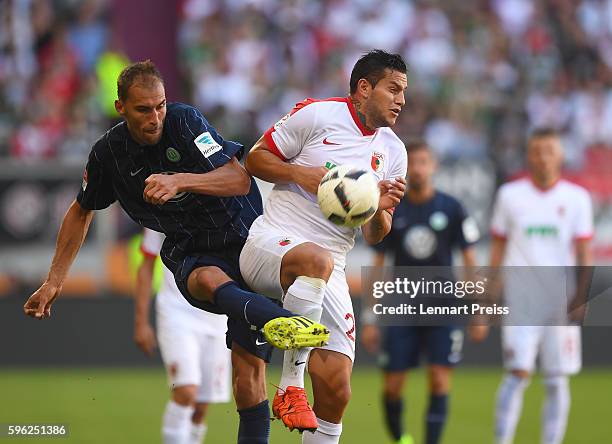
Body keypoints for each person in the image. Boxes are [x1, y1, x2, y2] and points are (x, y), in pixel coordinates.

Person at [22, 60, 329, 444]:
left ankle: (278, 322)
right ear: (121, 108)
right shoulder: (109, 155)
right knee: (203, 278)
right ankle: (278, 319)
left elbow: (238, 178)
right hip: (190, 247)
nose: (155, 117)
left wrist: (180, 179)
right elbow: (80, 209)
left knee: (248, 381)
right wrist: (54, 280)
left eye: (160, 105)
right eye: (143, 109)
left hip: (245, 237)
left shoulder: (184, 122)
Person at [240, 49, 408, 442]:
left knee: (336, 391)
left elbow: (376, 235)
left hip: (330, 265)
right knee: (315, 259)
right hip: (272, 241)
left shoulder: (393, 152)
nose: (402, 99)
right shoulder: (317, 115)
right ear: (364, 88)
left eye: (404, 92)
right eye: (394, 89)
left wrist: (378, 210)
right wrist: (301, 174)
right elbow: (254, 160)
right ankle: (290, 387)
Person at [360, 140, 480, 444]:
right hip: (402, 305)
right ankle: (401, 438)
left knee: (440, 380)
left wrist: (479, 306)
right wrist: (370, 316)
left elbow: (469, 259)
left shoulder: (451, 208)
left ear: (434, 166)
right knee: (392, 386)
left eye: (424, 162)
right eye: (413, 163)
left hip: (443, 305)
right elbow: (378, 265)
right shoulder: (392, 208)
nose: (418, 168)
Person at [486, 128, 593, 444]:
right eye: (536, 151)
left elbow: (585, 252)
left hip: (560, 302)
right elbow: (497, 250)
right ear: (528, 155)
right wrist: (489, 294)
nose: (543, 157)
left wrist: (582, 296)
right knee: (517, 375)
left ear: (559, 155)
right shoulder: (510, 195)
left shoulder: (577, 198)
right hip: (521, 301)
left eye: (549, 150)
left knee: (557, 381)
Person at [135, 228, 231, 444]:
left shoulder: (227, 206)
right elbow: (147, 264)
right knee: (186, 392)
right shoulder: (161, 208)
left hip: (217, 318)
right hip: (176, 311)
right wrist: (141, 322)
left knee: (201, 407)